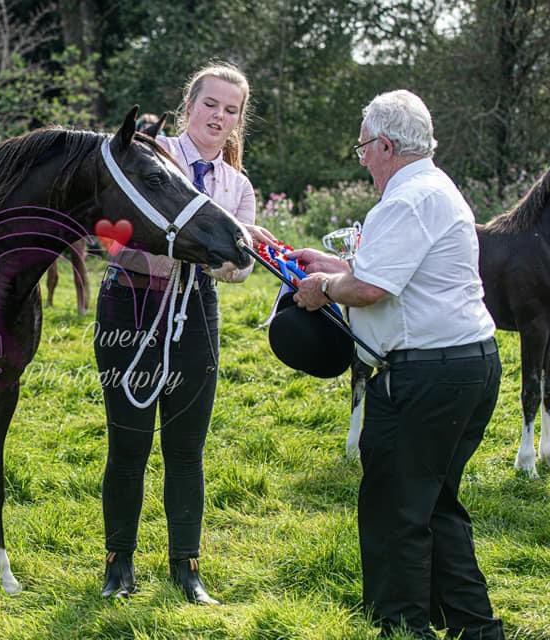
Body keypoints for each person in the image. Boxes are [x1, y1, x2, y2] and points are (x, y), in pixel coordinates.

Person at [290, 90, 503, 639]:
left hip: (429, 374)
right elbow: (398, 274)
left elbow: (372, 287)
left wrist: (323, 288)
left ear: (386, 144)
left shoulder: (407, 199)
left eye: (363, 148)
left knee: (395, 509)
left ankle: (402, 627)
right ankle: (475, 628)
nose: (361, 159)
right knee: (435, 505)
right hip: (467, 364)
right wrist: (339, 266)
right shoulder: (435, 188)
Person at [95, 62, 275, 604]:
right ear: (188, 105)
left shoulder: (237, 186)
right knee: (128, 444)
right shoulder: (150, 159)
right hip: (129, 306)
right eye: (211, 104)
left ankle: (186, 569)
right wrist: (190, 250)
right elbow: (111, 237)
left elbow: (240, 267)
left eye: (231, 110)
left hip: (197, 312)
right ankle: (118, 565)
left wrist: (222, 261)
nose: (219, 116)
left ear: (239, 121)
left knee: (186, 449)